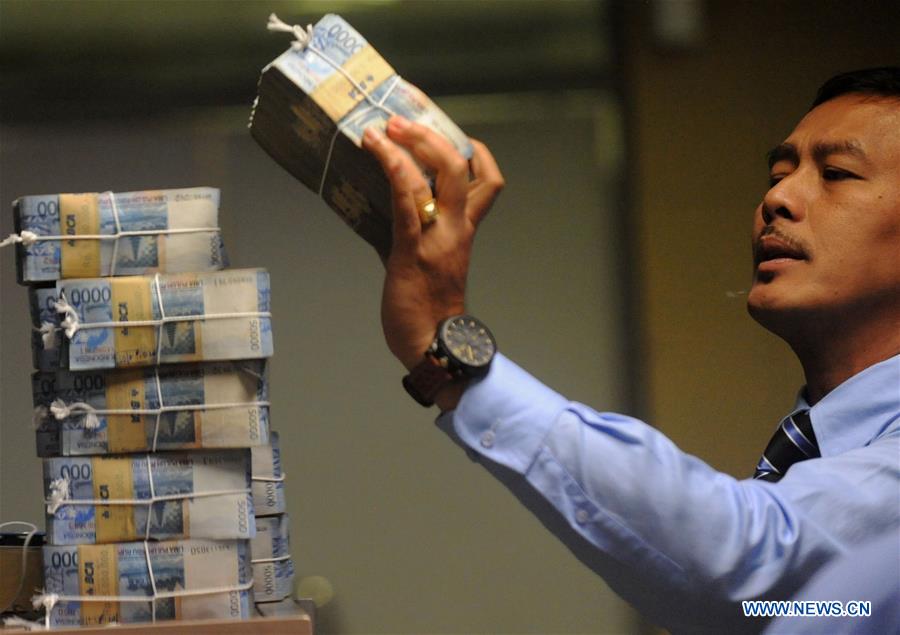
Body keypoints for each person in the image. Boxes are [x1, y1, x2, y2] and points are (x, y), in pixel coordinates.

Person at [361, 67, 900, 633]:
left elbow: (749, 569)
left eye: (837, 173)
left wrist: (456, 363)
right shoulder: (816, 442)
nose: (777, 197)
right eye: (777, 173)